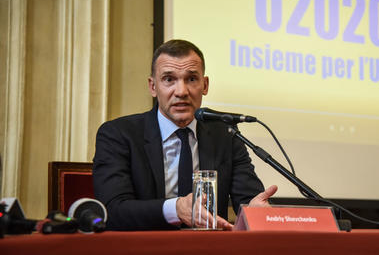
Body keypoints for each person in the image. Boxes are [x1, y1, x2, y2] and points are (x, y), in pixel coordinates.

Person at [93, 39, 277, 230]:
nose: (181, 91)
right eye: (169, 79)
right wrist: (175, 209)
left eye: (191, 79)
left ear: (204, 85)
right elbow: (113, 210)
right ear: (153, 86)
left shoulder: (225, 136)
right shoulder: (118, 134)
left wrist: (254, 212)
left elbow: (247, 201)